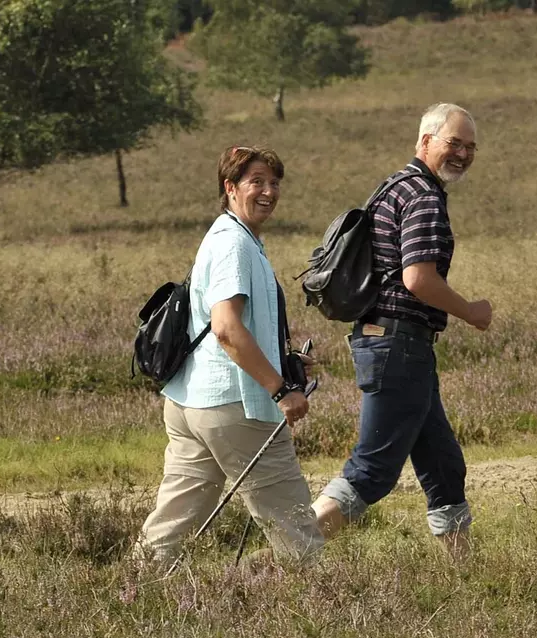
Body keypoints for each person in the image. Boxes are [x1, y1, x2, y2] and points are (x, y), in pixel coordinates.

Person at [312, 103, 492, 559]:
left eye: (471, 146)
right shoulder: (425, 196)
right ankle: (281, 560)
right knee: (372, 471)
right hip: (399, 346)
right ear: (425, 141)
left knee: (443, 465)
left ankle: (466, 572)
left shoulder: (393, 187)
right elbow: (418, 278)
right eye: (455, 142)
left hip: (390, 343)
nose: (464, 153)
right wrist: (470, 311)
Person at [138, 146, 323, 569]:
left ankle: (131, 594)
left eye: (274, 183)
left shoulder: (232, 237)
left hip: (190, 403)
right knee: (292, 521)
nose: (268, 191)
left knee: (173, 523)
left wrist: (282, 358)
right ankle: (324, 608)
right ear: (230, 187)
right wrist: (281, 390)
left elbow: (232, 327)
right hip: (234, 406)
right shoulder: (233, 245)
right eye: (256, 181)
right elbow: (225, 327)